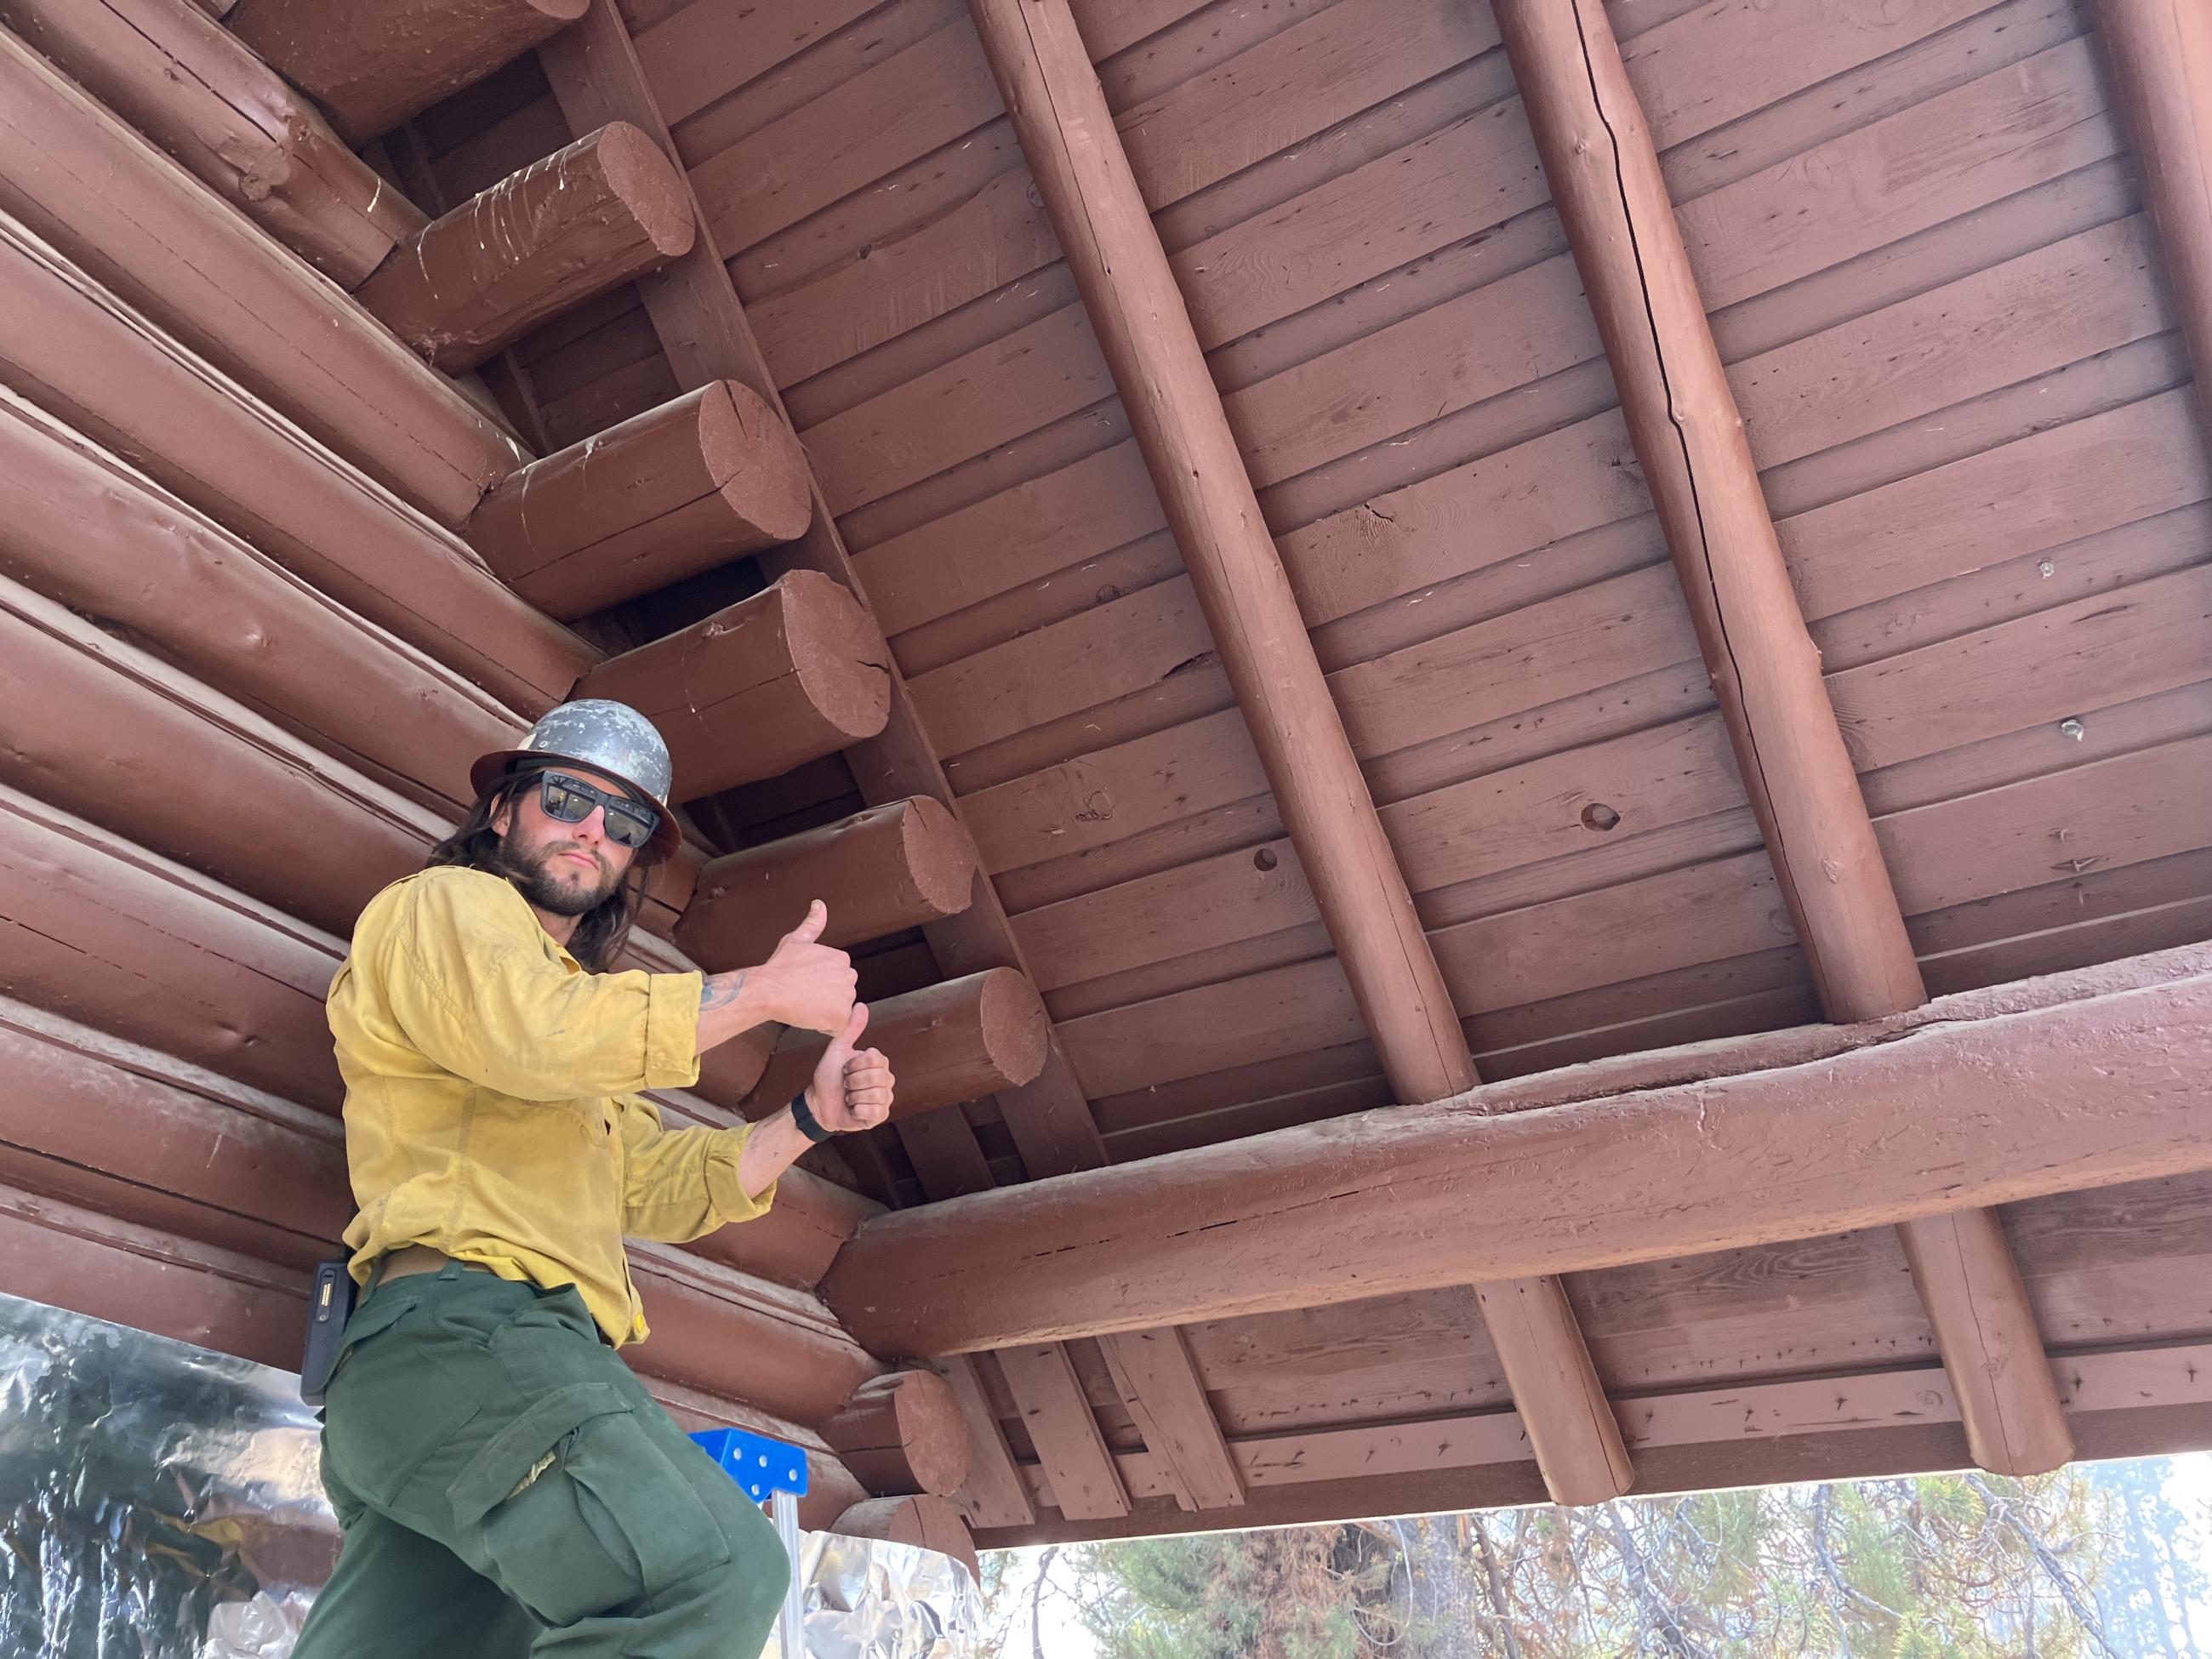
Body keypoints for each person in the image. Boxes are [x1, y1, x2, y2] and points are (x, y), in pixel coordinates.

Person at [293, 698, 892, 1658]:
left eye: (622, 826)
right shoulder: (442, 907)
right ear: (503, 810)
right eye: (570, 799)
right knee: (712, 1574)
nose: (592, 832)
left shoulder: (578, 1021)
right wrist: (761, 993)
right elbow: (536, 1036)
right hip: (466, 1332)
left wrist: (808, 1118)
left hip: (433, 1394)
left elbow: (649, 1182)